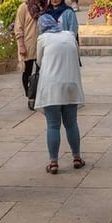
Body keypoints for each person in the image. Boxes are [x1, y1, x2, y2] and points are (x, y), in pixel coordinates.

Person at [34, 14, 85, 174]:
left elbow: (39, 61)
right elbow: (76, 56)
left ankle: (54, 162)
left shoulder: (43, 39)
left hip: (51, 86)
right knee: (71, 123)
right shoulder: (69, 36)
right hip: (71, 83)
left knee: (53, 124)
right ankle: (76, 157)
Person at [15, 0, 47, 110]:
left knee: (41, 72)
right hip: (28, 44)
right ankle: (30, 96)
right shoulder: (24, 7)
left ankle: (38, 96)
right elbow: (18, 27)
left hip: (42, 44)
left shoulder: (45, 7)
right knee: (27, 71)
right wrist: (21, 44)